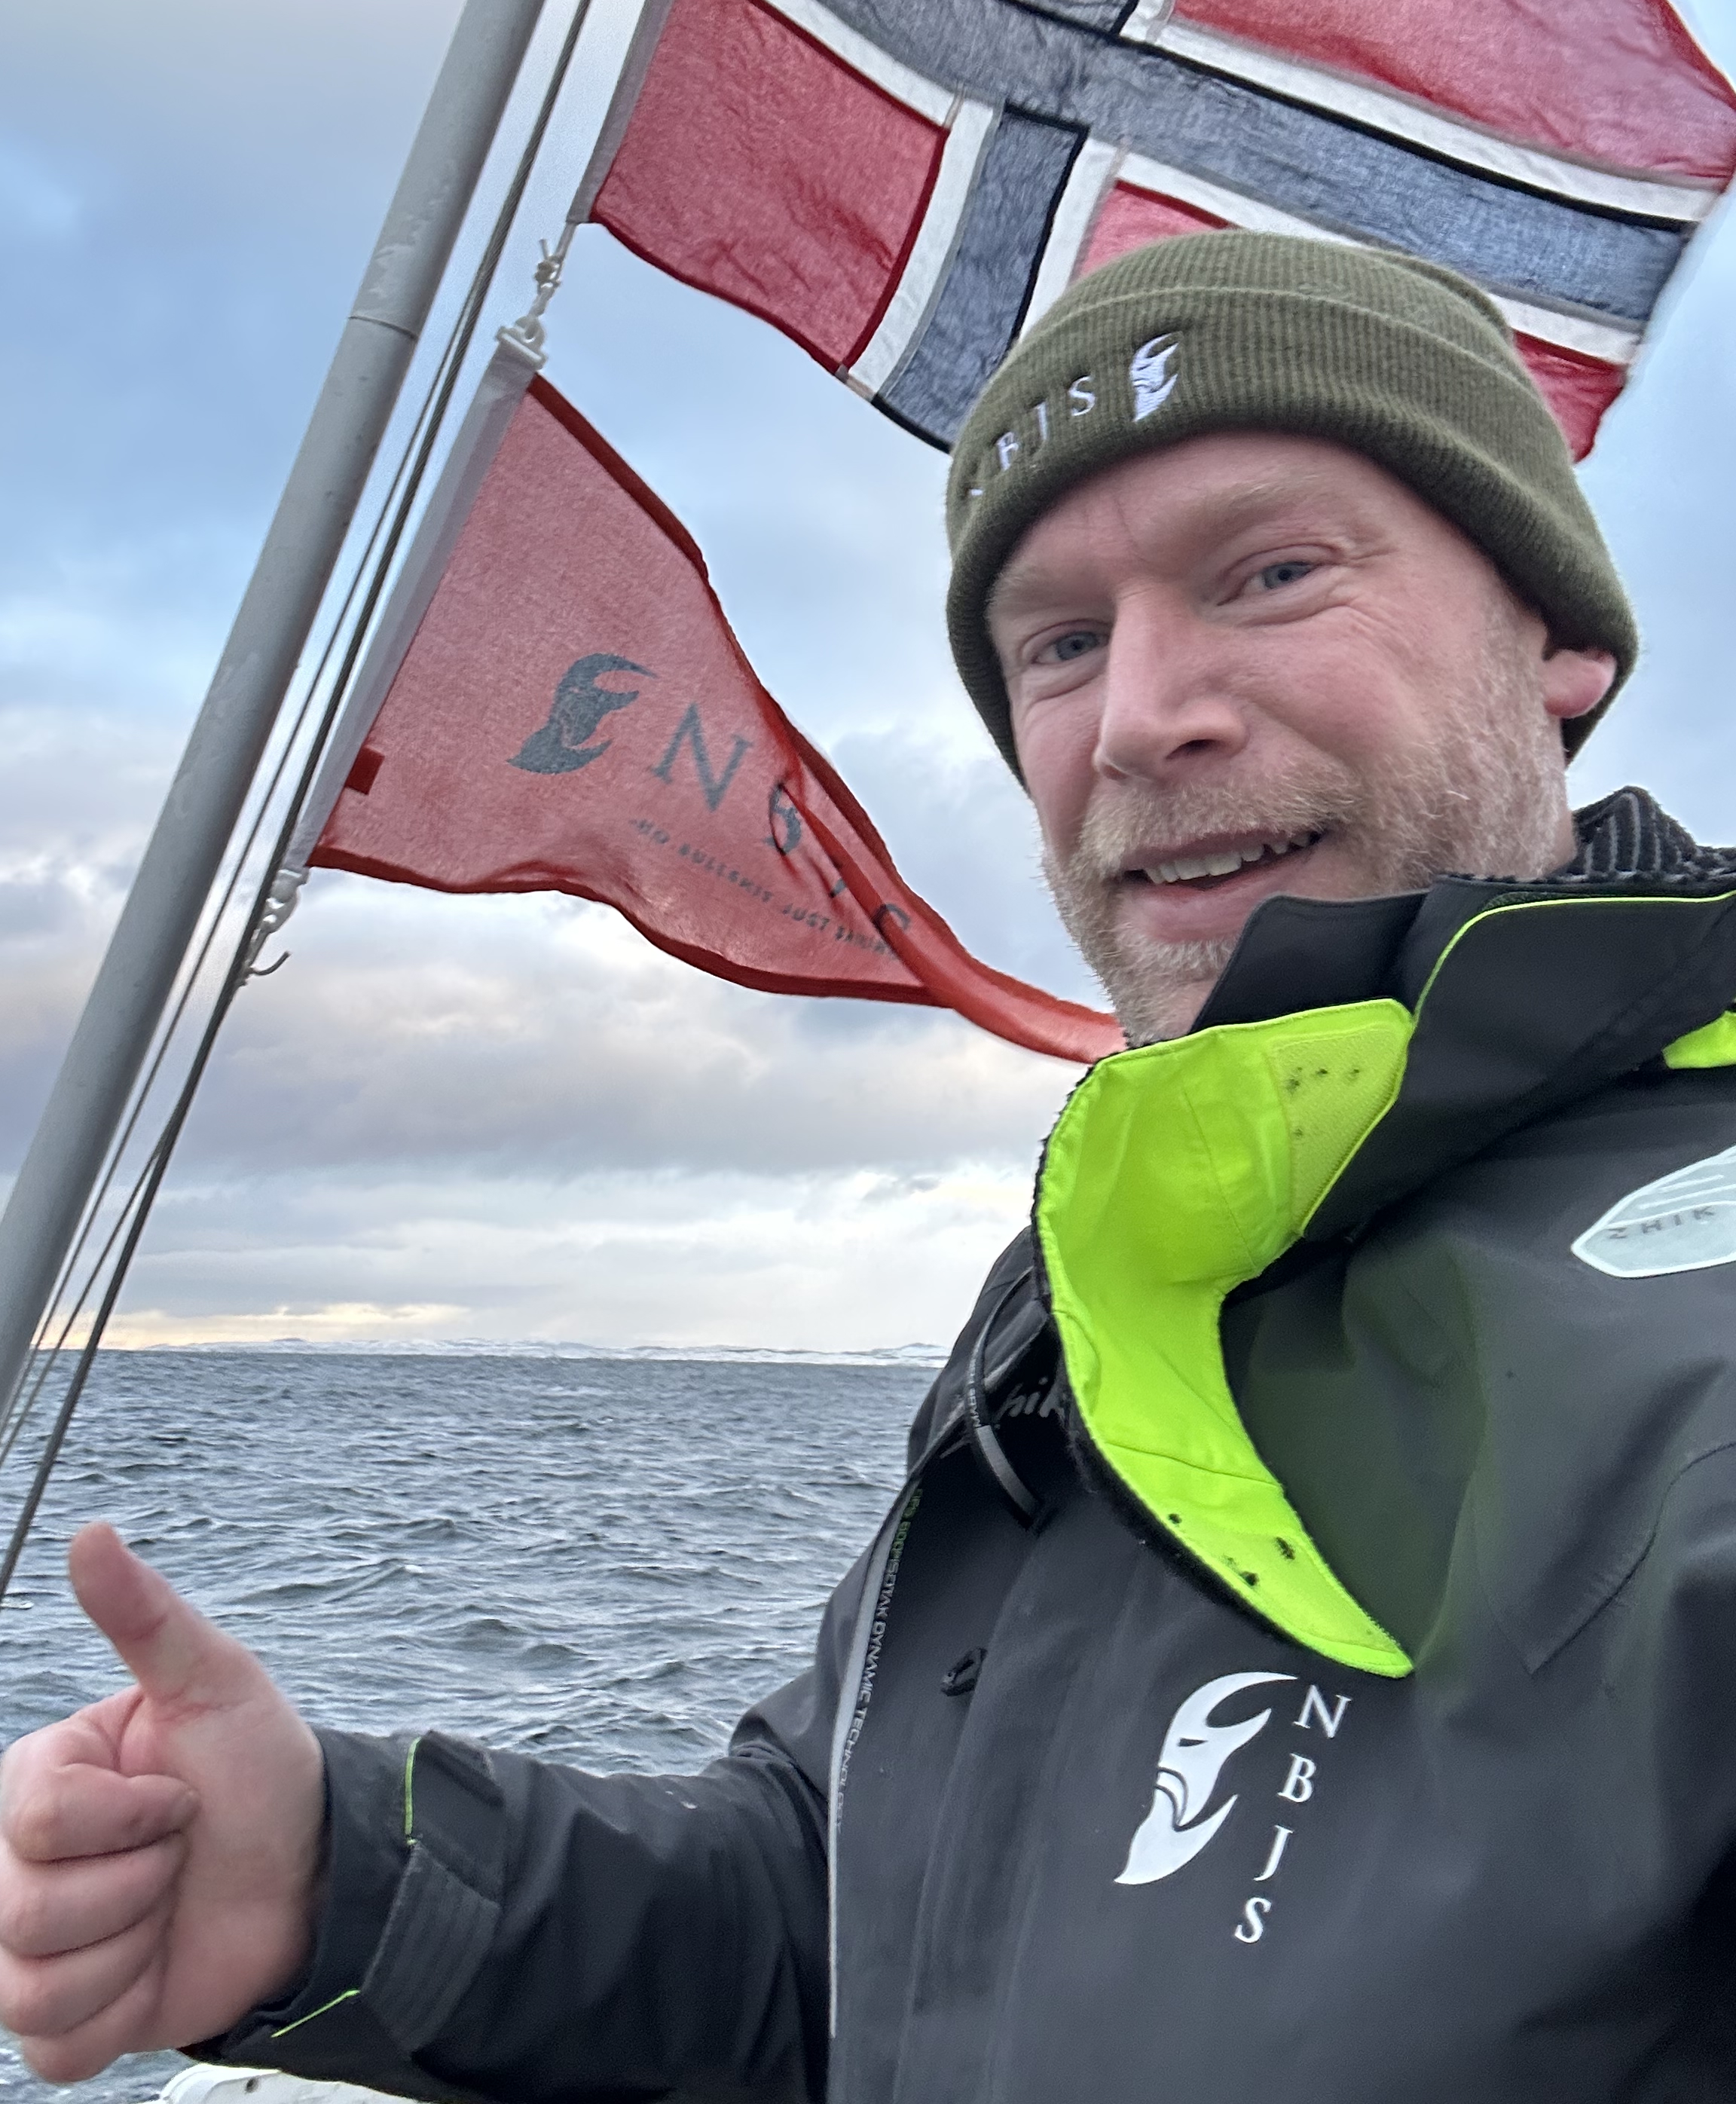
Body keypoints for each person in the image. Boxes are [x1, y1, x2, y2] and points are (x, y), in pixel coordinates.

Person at [6, 231, 1736, 2104]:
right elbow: (849, 1919)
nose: (1142, 716)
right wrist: (338, 1883)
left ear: (1560, 641)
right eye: (1060, 644)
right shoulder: (1106, 1280)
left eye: (1273, 573)